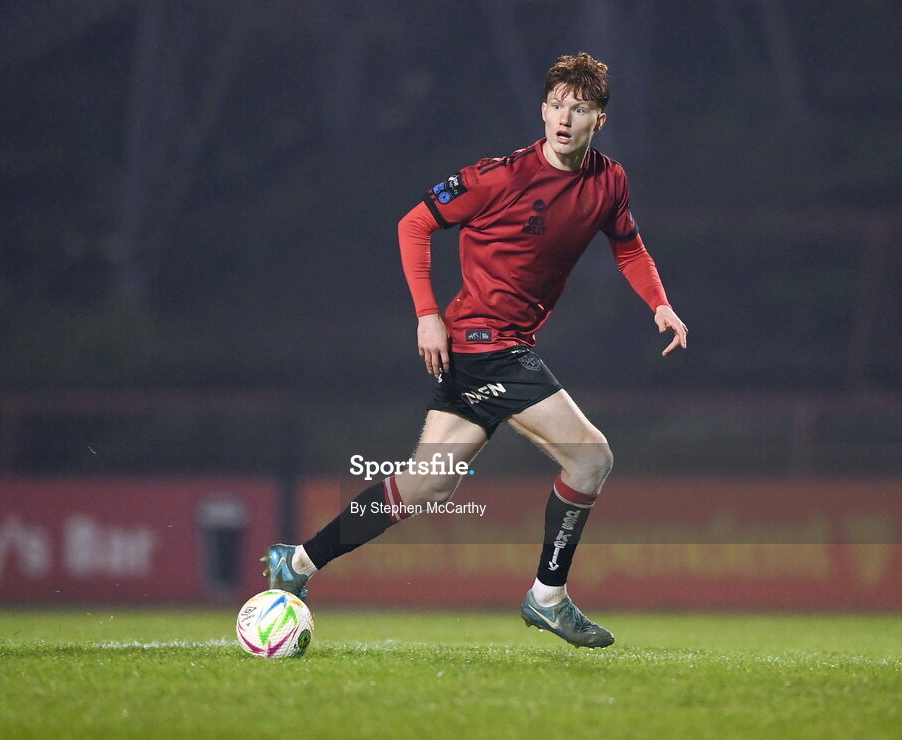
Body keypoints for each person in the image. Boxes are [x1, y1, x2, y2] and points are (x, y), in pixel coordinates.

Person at [263, 52, 687, 648]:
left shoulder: (608, 181)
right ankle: (548, 598)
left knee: (426, 484)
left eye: (580, 108)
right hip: (488, 346)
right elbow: (414, 223)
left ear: (599, 120)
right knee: (590, 458)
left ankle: (298, 563)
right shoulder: (500, 177)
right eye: (557, 106)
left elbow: (629, 247)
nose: (565, 118)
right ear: (542, 110)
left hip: (490, 350)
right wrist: (426, 315)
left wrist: (660, 304)